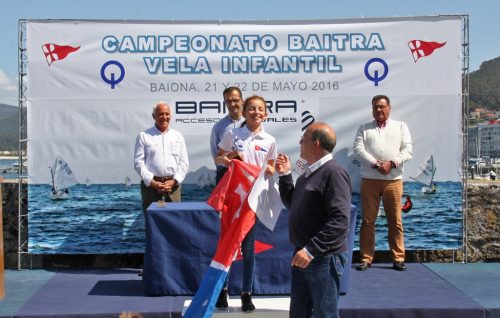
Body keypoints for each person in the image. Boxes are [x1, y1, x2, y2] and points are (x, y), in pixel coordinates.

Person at [276, 122, 351, 318]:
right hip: (304, 255)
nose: (300, 142)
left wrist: (311, 250)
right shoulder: (309, 173)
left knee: (324, 314)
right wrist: (284, 176)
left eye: (304, 139)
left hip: (322, 258)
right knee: (300, 313)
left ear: (316, 144)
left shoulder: (334, 173)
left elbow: (340, 220)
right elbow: (293, 203)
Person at [214, 95, 277, 312]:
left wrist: (271, 169)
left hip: (254, 201)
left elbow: (270, 167)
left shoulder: (269, 140)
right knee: (228, 245)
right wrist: (231, 158)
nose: (256, 112)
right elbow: (218, 159)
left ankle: (246, 293)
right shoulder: (233, 133)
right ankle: (222, 291)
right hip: (233, 199)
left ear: (265, 114)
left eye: (260, 109)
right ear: (245, 111)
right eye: (251, 108)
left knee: (248, 248)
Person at [353, 95, 413, 272]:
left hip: (393, 181)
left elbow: (408, 150)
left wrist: (392, 163)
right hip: (369, 181)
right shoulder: (364, 128)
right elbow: (358, 150)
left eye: (381, 107)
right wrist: (376, 164)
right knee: (368, 221)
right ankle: (366, 258)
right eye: (375, 107)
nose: (378, 110)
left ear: (389, 108)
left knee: (395, 221)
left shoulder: (401, 126)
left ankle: (398, 258)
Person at [134, 101, 189, 211]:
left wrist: (174, 181)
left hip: (173, 187)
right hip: (151, 188)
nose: (164, 117)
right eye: (160, 114)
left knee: (174, 221)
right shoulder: (143, 136)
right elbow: (138, 163)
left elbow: (184, 163)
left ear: (170, 115)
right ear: (154, 116)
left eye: (167, 114)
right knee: (154, 221)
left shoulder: (178, 136)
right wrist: (153, 183)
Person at [210, 86, 245, 184]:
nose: (232, 104)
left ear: (242, 101)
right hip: (225, 175)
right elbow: (215, 155)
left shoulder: (251, 124)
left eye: (235, 100)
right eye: (228, 101)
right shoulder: (218, 127)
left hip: (246, 173)